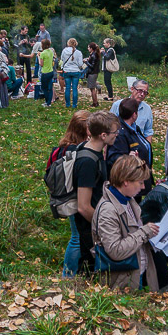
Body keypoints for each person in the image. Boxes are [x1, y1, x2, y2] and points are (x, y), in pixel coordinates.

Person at [92, 155, 161, 290]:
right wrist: (144, 232)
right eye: (140, 182)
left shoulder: (128, 199)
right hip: (122, 282)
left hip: (135, 273)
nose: (142, 187)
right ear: (126, 181)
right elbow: (115, 250)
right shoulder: (108, 211)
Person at [73, 111, 120, 274]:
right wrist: (104, 227)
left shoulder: (95, 151)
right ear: (103, 135)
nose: (117, 135)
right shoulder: (88, 162)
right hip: (90, 224)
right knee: (89, 265)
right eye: (114, 132)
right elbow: (83, 206)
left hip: (95, 221)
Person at [52, 110, 92, 276]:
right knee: (76, 237)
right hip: (75, 197)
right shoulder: (78, 151)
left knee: (77, 236)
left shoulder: (60, 148)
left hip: (65, 196)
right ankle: (68, 275)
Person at [107, 98, 153, 175]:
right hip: (132, 178)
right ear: (134, 115)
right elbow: (114, 158)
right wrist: (128, 159)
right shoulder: (120, 134)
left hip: (142, 174)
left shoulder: (134, 127)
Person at [59, 38, 85, 109]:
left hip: (67, 71)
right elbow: (80, 64)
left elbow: (62, 59)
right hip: (76, 71)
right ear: (76, 43)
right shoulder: (79, 52)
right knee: (74, 88)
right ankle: (74, 105)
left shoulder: (64, 50)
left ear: (68, 43)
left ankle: (67, 104)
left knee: (67, 88)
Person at [38, 39, 56, 107]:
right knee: (50, 87)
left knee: (44, 88)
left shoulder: (42, 53)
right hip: (51, 71)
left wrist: (39, 57)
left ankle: (46, 102)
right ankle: (49, 102)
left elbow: (41, 64)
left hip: (45, 72)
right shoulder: (51, 51)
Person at [83, 42, 101, 107]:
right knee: (92, 87)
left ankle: (95, 103)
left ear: (91, 48)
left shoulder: (94, 55)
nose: (88, 48)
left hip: (92, 73)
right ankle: (95, 102)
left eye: (88, 47)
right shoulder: (94, 54)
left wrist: (86, 62)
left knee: (92, 88)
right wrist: (88, 60)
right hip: (94, 73)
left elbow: (92, 66)